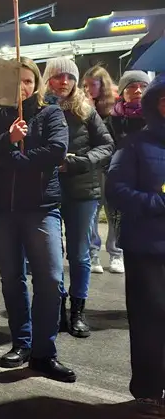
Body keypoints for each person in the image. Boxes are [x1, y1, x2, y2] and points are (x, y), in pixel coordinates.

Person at [0, 58, 76, 382]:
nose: (22, 87)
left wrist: (11, 160)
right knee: (12, 278)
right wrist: (7, 139)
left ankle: (44, 352)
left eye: (28, 81)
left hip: (41, 207)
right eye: (15, 81)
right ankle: (22, 344)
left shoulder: (50, 114)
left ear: (36, 83)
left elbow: (56, 151)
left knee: (50, 279)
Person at [106, 73, 165, 417]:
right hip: (147, 247)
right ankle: (147, 390)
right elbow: (116, 191)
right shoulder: (134, 144)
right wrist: (158, 202)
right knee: (149, 320)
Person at [42, 57, 114, 338]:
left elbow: (106, 145)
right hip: (44, 190)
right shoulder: (37, 108)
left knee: (80, 254)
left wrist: (78, 162)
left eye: (70, 77)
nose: (65, 82)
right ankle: (57, 309)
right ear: (47, 79)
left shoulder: (86, 109)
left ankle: (78, 312)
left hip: (82, 190)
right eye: (58, 76)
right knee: (51, 256)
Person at [104, 70, 151, 275]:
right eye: (131, 87)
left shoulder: (156, 117)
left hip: (150, 176)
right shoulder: (112, 119)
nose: (137, 91)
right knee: (116, 216)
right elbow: (106, 146)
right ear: (122, 92)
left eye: (143, 86)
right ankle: (116, 253)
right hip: (120, 175)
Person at [81, 65, 118, 274]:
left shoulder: (115, 108)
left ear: (102, 85)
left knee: (114, 212)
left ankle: (115, 253)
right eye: (85, 86)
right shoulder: (83, 107)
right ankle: (93, 253)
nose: (87, 90)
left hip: (113, 167)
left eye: (92, 85)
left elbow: (113, 139)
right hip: (92, 166)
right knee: (92, 213)